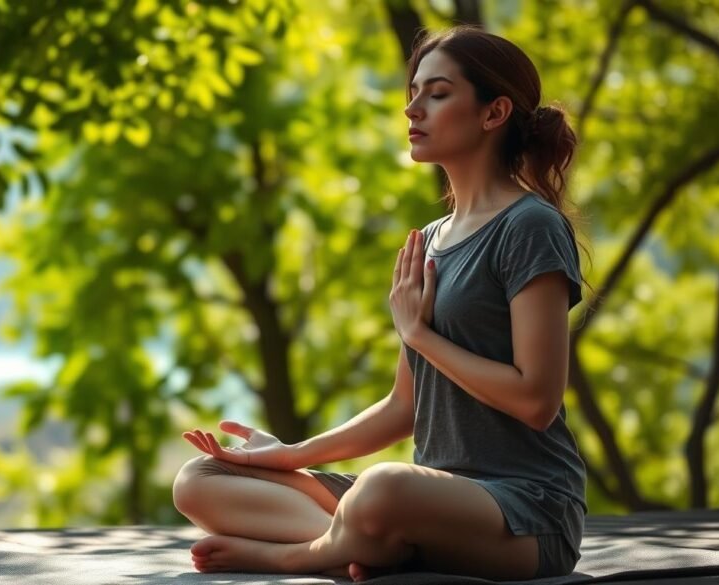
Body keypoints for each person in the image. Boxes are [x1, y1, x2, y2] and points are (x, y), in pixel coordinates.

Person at [171, 24, 590, 582]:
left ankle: (303, 554)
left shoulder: (531, 226)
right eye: (412, 93)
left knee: (384, 487)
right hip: (427, 503)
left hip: (524, 513)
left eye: (437, 94)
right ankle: (368, 545)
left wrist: (421, 336)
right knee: (201, 480)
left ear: (494, 113)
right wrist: (289, 454)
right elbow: (402, 407)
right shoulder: (433, 237)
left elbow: (536, 400)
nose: (413, 109)